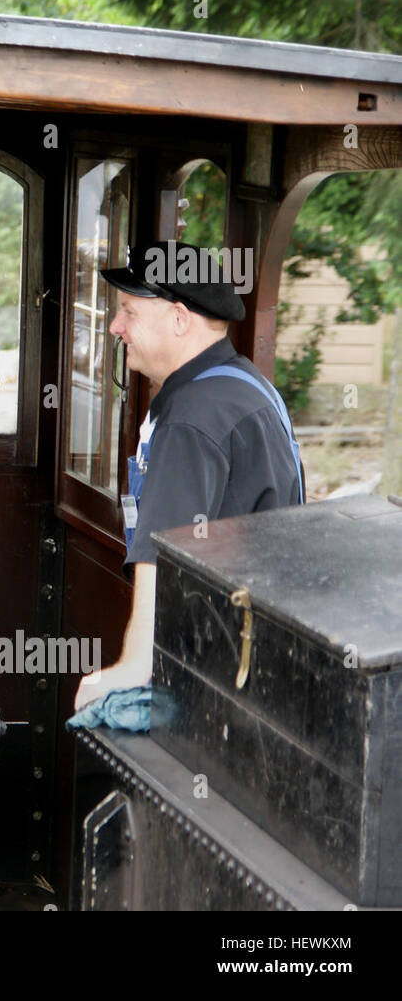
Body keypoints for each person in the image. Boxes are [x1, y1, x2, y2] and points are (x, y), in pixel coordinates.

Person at [73, 241, 303, 710]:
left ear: (179, 319)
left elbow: (162, 555)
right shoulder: (242, 383)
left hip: (219, 674)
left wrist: (133, 668)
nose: (116, 327)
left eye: (129, 312)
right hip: (260, 656)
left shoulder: (192, 417)